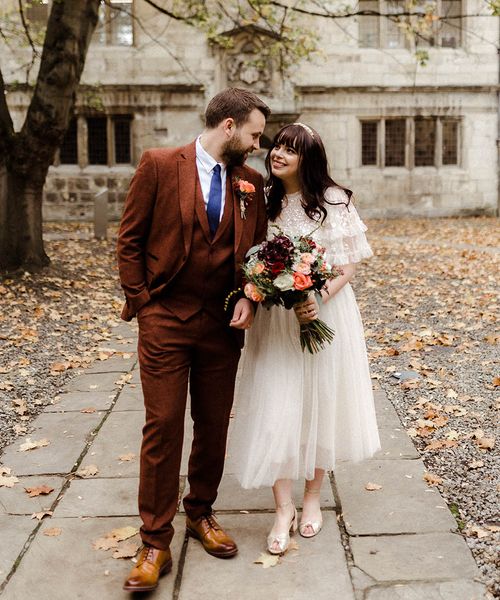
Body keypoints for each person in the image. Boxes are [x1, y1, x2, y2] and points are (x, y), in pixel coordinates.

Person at [117, 88, 270, 592]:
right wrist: (142, 300)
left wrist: (251, 293)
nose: (256, 144)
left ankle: (201, 512)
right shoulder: (160, 164)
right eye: (252, 134)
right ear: (228, 126)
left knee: (212, 425)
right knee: (162, 425)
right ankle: (154, 541)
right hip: (165, 319)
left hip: (221, 324)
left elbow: (258, 254)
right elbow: (130, 238)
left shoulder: (250, 183)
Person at [229, 122, 381, 554]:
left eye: (290, 150)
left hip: (324, 314)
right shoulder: (263, 200)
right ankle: (282, 508)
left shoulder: (334, 201)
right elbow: (251, 259)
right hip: (275, 322)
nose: (278, 154)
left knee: (318, 403)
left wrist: (315, 296)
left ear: (308, 159)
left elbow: (348, 264)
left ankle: (312, 499)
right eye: (277, 145)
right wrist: (257, 288)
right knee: (277, 405)